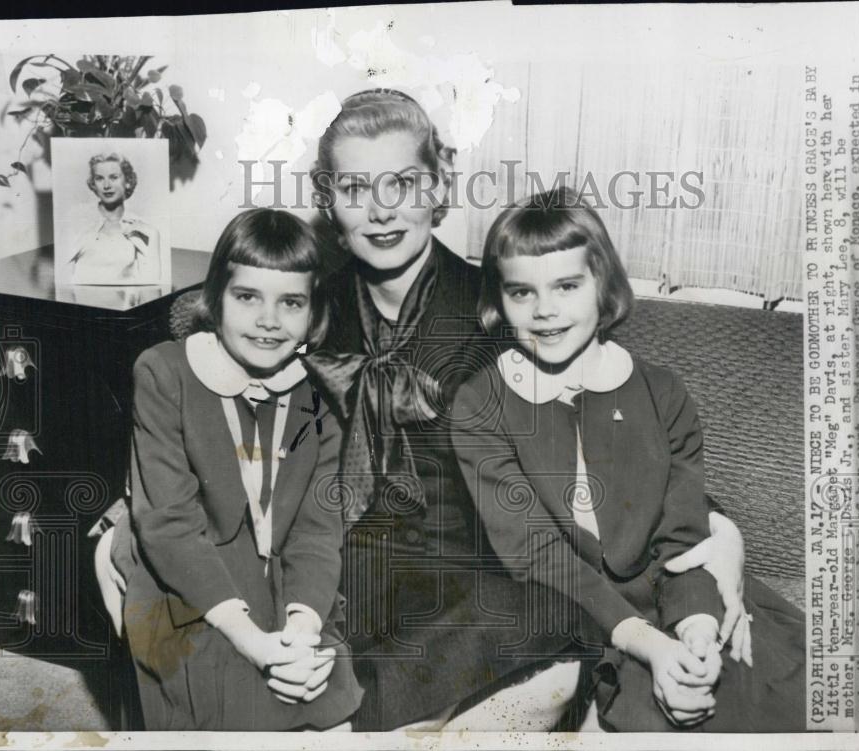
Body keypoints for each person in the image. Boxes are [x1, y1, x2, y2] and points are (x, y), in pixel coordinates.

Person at [299, 88, 754, 731]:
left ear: (439, 183)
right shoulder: (305, 306)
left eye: (402, 183)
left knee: (544, 626)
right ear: (328, 199)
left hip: (477, 585)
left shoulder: (507, 307)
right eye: (354, 188)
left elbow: (632, 454)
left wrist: (723, 539)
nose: (379, 210)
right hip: (338, 571)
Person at [450, 188, 806, 731]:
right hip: (565, 607)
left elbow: (682, 534)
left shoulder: (663, 392)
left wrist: (696, 631)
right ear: (498, 300)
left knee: (759, 697)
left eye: (567, 286)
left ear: (603, 284)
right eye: (522, 292)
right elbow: (535, 554)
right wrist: (651, 646)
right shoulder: (480, 403)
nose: (544, 310)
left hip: (674, 597)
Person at [114, 208, 362, 730]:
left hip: (277, 574)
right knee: (231, 699)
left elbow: (317, 529)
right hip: (183, 575)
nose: (268, 319)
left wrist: (301, 629)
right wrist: (253, 643)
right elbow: (169, 527)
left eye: (291, 302)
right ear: (216, 298)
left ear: (313, 313)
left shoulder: (322, 395)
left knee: (328, 695)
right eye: (248, 297)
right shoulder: (164, 373)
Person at [69, 153, 162, 284]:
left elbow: (151, 285)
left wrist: (152, 236)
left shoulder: (142, 229)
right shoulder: (77, 222)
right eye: (99, 178)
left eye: (114, 177)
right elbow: (62, 279)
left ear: (128, 182)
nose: (107, 185)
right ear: (93, 184)